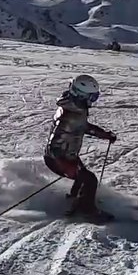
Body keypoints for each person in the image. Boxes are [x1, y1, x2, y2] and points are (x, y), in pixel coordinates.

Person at [44, 74, 117, 220]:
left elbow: (82, 126)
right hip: (58, 158)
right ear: (82, 95)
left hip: (67, 156)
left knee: (83, 177)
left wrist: (103, 134)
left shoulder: (74, 108)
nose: (92, 101)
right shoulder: (70, 113)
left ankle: (76, 200)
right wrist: (63, 164)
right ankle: (87, 211)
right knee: (89, 180)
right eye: (92, 97)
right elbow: (54, 143)